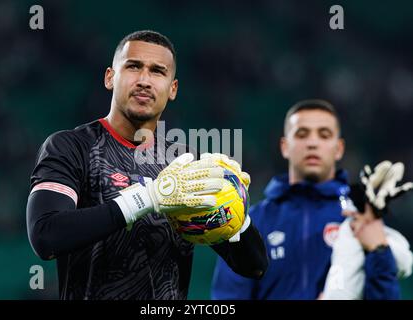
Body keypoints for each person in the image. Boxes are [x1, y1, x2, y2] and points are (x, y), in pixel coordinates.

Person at [26, 30, 268, 300]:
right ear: (110, 77)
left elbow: (254, 266)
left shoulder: (187, 165)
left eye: (157, 71)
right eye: (133, 67)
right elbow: (46, 237)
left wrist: (237, 208)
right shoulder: (71, 146)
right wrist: (147, 198)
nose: (144, 80)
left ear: (172, 89)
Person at [211, 99, 412, 300]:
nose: (312, 143)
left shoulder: (359, 220)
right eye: (302, 134)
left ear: (339, 148)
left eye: (324, 135)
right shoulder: (252, 220)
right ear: (285, 146)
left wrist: (379, 251)